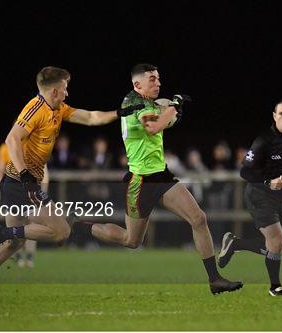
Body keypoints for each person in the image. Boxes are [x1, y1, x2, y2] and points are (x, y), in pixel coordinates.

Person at [0, 66, 143, 299]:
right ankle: (4, 232)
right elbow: (11, 139)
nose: (67, 94)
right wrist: (27, 176)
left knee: (14, 243)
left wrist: (120, 112)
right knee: (61, 232)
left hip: (16, 183)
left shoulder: (58, 109)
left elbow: (90, 117)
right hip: (21, 183)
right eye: (65, 89)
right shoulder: (35, 109)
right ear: (55, 91)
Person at [77, 63, 243, 295]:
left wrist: (172, 109)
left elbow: (163, 119)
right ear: (137, 84)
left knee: (198, 218)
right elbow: (155, 126)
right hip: (140, 182)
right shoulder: (133, 102)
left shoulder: (146, 103)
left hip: (161, 177)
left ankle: (214, 280)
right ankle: (82, 228)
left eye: (158, 79)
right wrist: (174, 106)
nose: (158, 83)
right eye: (152, 79)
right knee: (131, 240)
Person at [217, 98, 282, 296]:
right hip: (259, 194)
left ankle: (236, 244)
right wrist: (269, 182)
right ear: (274, 116)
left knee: (279, 247)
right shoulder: (264, 140)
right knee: (275, 243)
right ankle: (275, 287)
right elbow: (245, 172)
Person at [0, 142, 47, 268]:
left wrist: (42, 194)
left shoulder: (37, 146)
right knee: (16, 225)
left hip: (30, 191)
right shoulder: (6, 147)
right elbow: (1, 170)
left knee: (31, 223)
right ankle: (18, 256)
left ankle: (29, 257)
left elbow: (44, 173)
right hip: (14, 190)